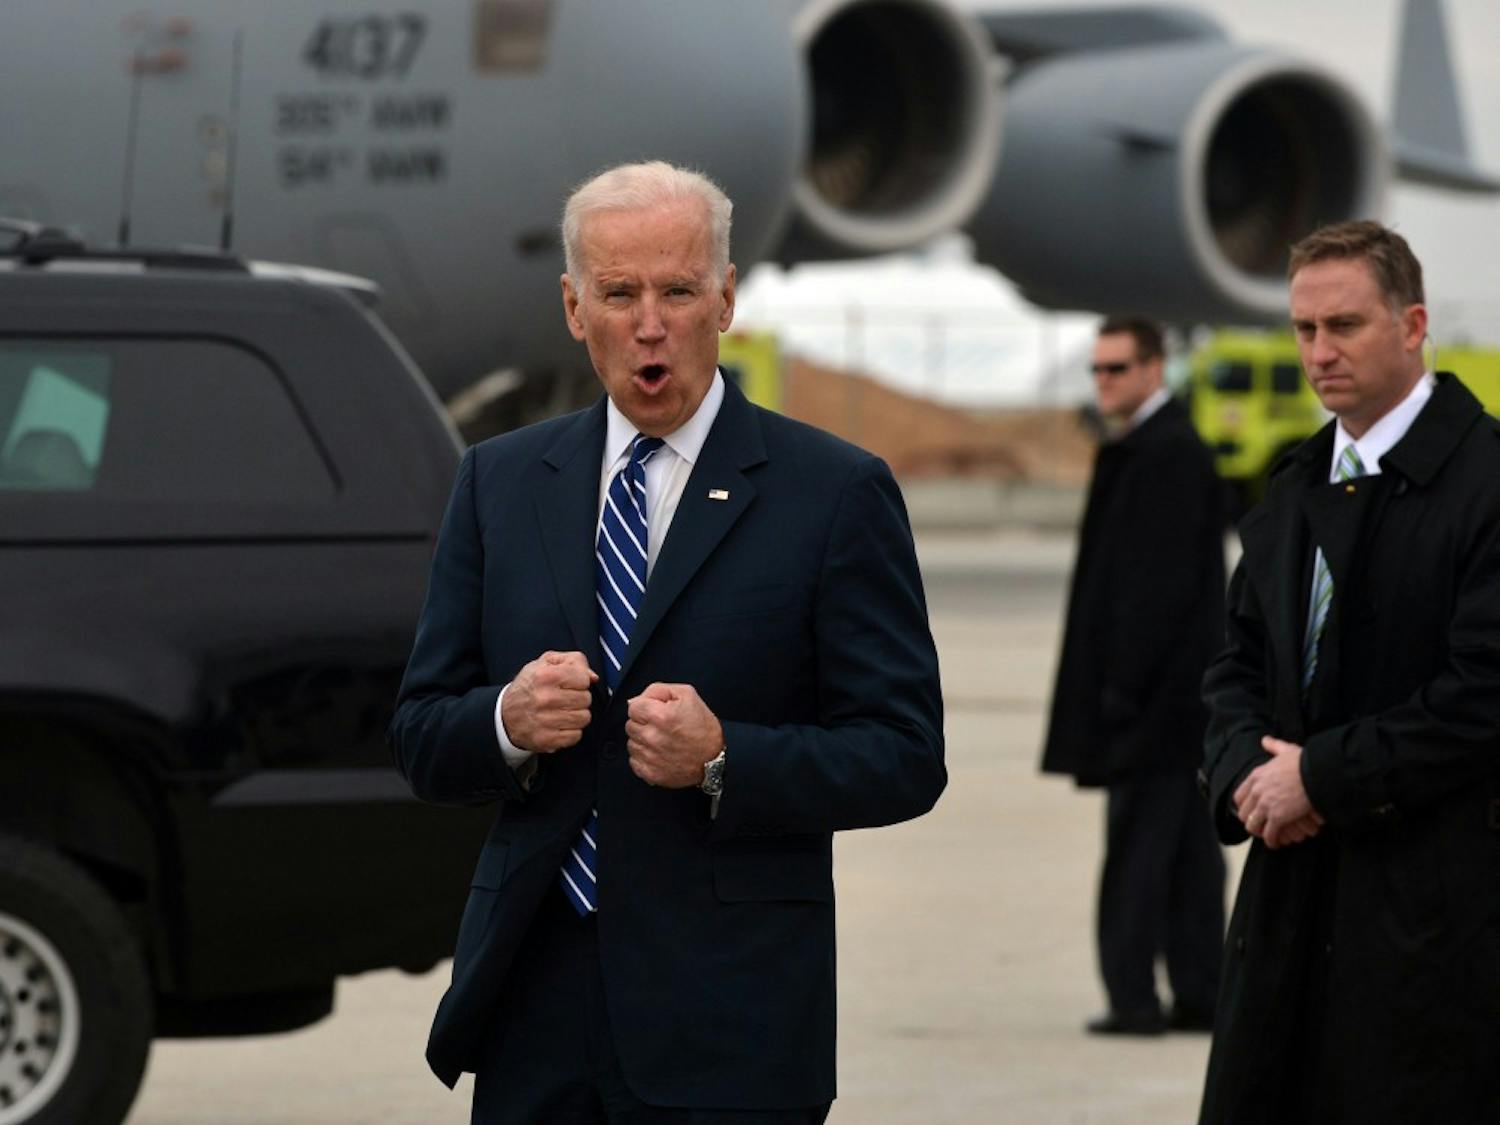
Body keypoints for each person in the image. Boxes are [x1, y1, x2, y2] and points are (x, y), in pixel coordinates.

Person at [387, 160, 946, 1125]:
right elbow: (421, 735)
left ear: (724, 299)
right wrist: (508, 722)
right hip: (533, 1010)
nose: (650, 324)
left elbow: (904, 755)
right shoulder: (498, 482)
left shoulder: (834, 493)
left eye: (678, 290)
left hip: (731, 1023)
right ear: (573, 306)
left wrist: (728, 757)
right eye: (619, 293)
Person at [1198, 220, 1500, 1124]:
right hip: (1290, 901)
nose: (1319, 352)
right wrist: (1247, 776)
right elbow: (1234, 661)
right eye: (1303, 330)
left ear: (1412, 325)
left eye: (1345, 326)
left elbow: (1482, 694)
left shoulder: (1485, 482)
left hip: (1433, 915)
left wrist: (1319, 778)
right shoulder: (1296, 485)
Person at [1041, 315, 1226, 1036]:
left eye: (1117, 368)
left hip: (1156, 704)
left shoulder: (1167, 453)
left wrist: (1120, 690)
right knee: (1184, 853)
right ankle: (1200, 991)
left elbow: (1158, 589)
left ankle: (1134, 997)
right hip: (1177, 703)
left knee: (1144, 853)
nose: (1104, 381)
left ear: (1154, 368)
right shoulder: (1150, 447)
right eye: (1097, 370)